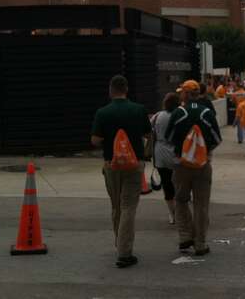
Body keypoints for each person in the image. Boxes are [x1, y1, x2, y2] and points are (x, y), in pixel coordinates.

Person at [90, 75, 152, 268]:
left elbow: (95, 140)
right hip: (134, 166)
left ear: (111, 90)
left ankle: (120, 243)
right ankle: (124, 253)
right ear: (126, 89)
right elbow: (149, 134)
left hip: (111, 165)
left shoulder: (102, 112)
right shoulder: (139, 110)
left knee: (116, 206)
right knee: (128, 207)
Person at [165, 80, 221, 256]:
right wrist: (203, 153)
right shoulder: (207, 113)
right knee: (201, 204)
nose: (181, 94)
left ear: (187, 94)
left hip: (181, 165)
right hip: (203, 165)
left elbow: (169, 138)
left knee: (181, 200)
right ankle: (200, 243)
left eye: (182, 92)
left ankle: (184, 235)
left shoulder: (178, 112)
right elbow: (217, 139)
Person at [152, 92, 180, 225]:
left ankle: (172, 214)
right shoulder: (180, 115)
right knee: (179, 184)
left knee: (167, 185)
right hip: (176, 152)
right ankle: (181, 212)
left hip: (160, 153)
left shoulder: (158, 116)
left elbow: (149, 132)